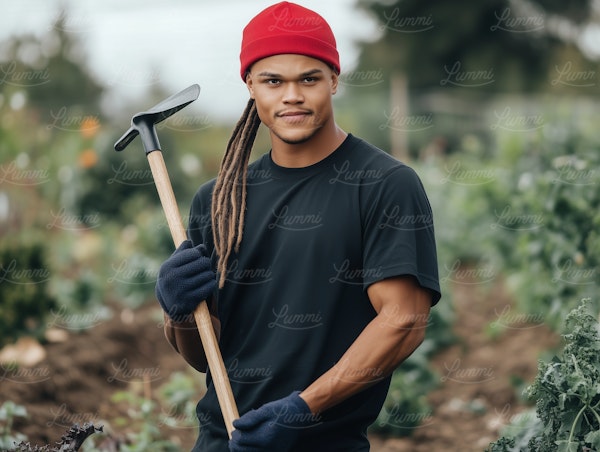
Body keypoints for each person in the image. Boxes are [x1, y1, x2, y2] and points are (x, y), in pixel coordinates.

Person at [155, 2, 441, 451]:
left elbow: (404, 319)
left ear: (334, 80)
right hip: (224, 441)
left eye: (308, 78)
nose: (291, 95)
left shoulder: (384, 185)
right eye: (273, 81)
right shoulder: (218, 200)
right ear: (250, 85)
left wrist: (303, 408)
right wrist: (179, 315)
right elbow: (202, 355)